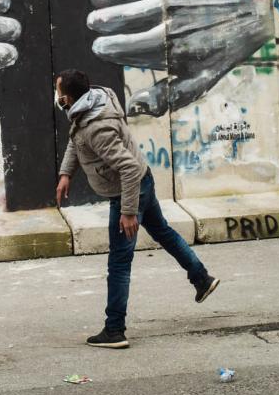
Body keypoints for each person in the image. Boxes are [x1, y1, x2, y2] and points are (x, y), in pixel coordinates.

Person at [54, 69, 219, 348]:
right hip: (144, 179)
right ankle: (201, 279)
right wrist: (66, 173)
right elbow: (76, 137)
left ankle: (114, 330)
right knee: (163, 232)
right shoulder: (97, 101)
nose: (56, 95)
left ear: (67, 98)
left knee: (119, 262)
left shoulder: (97, 128)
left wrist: (128, 211)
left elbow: (127, 168)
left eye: (58, 91)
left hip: (128, 191)